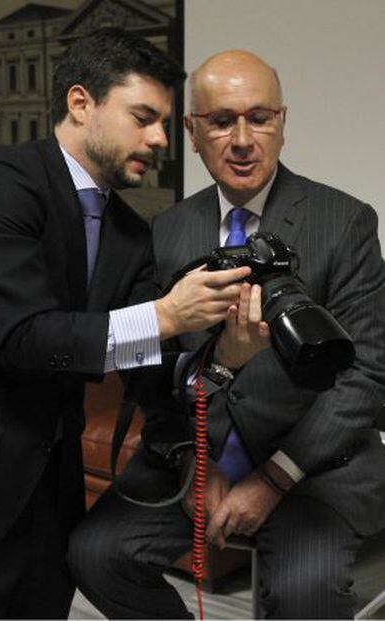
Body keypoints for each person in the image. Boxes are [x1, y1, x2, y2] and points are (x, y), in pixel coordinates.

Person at [67, 50, 385, 619]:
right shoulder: (162, 233)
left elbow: (365, 373)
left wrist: (271, 479)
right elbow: (151, 376)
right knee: (95, 553)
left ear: (282, 124)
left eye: (259, 117)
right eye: (221, 121)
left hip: (309, 469)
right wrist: (198, 461)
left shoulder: (346, 222)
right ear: (192, 133)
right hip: (195, 459)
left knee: (303, 595)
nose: (242, 139)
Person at [0, 31, 249, 620]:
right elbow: (24, 338)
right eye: (143, 117)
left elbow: (151, 367)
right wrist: (167, 313)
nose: (158, 141)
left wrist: (226, 354)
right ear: (81, 104)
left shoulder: (129, 232)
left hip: (54, 488)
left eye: (165, 125)